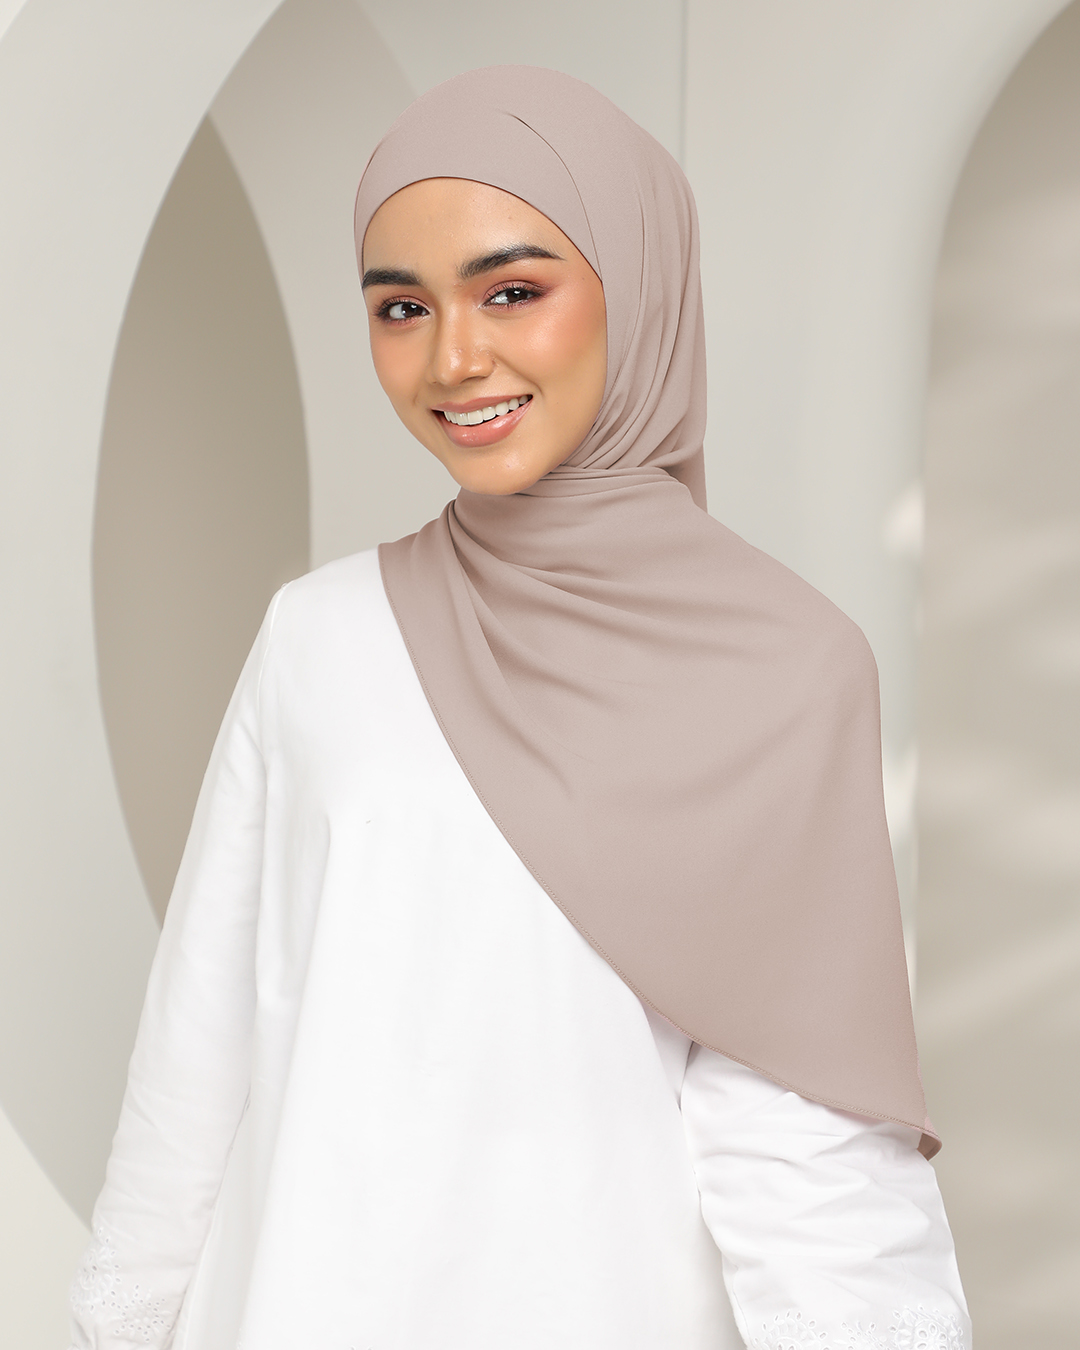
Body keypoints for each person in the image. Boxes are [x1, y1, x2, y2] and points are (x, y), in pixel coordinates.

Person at [69, 66, 971, 1350]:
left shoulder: (790, 670)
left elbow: (803, 1138)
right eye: (401, 308)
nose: (454, 359)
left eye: (512, 292)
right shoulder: (317, 637)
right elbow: (196, 1052)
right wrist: (116, 1327)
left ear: (638, 287)